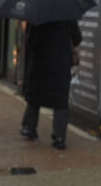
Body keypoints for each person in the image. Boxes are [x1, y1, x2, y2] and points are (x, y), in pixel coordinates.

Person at [21, 20, 81, 150]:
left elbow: (31, 41)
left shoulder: (37, 16)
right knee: (60, 102)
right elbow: (77, 38)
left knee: (34, 96)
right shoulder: (67, 15)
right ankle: (59, 138)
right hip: (60, 64)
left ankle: (29, 127)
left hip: (39, 62)